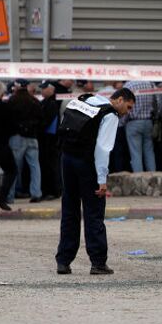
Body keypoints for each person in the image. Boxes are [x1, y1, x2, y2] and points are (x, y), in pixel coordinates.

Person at [55, 88, 135, 275]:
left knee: (69, 211)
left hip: (67, 159)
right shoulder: (110, 114)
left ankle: (63, 261)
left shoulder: (85, 99)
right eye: (128, 107)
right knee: (94, 214)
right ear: (120, 99)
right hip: (87, 164)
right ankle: (98, 263)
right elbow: (102, 149)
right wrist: (102, 180)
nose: (127, 112)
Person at [6, 79, 43, 203]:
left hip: (16, 137)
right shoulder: (35, 101)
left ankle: (10, 195)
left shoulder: (12, 101)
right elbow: (40, 120)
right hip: (33, 138)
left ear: (16, 87)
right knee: (35, 166)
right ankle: (36, 193)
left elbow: (8, 119)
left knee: (13, 167)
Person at [124, 80, 162, 172]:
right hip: (148, 122)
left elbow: (124, 105)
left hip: (133, 122)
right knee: (149, 152)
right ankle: (153, 177)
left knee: (135, 154)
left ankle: (139, 179)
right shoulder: (151, 84)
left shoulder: (128, 85)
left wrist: (123, 121)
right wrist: (156, 117)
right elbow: (159, 102)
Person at [0, 81, 16, 215]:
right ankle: (1, 197)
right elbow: (12, 127)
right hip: (2, 146)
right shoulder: (5, 108)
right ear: (2, 94)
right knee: (11, 171)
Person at [38, 81, 62, 200]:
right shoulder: (45, 103)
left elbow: (48, 123)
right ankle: (49, 190)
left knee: (51, 166)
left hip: (50, 140)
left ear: (51, 90)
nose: (41, 91)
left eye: (44, 88)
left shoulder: (51, 104)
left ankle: (53, 190)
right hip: (46, 139)